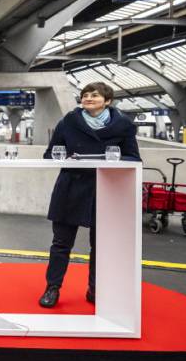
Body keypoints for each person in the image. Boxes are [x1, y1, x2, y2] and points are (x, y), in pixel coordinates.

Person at [38, 82, 140, 308]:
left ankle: (95, 289)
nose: (88, 98)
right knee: (61, 243)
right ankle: (52, 288)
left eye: (95, 95)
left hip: (104, 189)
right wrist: (66, 158)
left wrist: (108, 160)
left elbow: (134, 158)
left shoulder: (123, 125)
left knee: (100, 245)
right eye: (85, 95)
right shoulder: (68, 122)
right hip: (70, 188)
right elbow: (50, 154)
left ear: (108, 100)